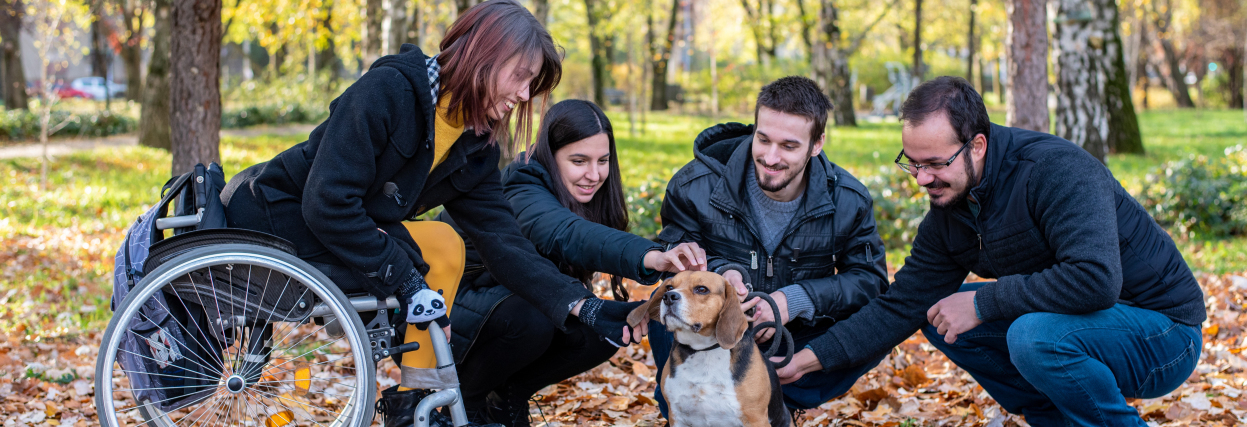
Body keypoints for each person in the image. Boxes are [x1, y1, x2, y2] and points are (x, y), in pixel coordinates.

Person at [220, 3, 643, 426]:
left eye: (532, 84)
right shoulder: (389, 91)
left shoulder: (475, 146)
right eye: (520, 76)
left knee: (444, 242)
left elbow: (505, 244)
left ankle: (413, 404)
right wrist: (408, 282)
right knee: (432, 248)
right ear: (484, 54)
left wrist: (585, 308)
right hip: (276, 216)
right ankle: (418, 399)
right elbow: (326, 202)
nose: (524, 95)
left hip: (349, 228)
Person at [775, 76, 1205, 425]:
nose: (921, 179)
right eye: (912, 162)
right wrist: (810, 360)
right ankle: (1053, 420)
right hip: (1080, 327)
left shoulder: (1056, 171)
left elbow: (1096, 280)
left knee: (1032, 336)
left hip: (1164, 333)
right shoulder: (949, 211)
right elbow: (900, 306)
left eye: (935, 164)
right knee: (938, 313)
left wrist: (985, 300)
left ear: (977, 145)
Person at [440, 99, 706, 426]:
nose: (593, 175)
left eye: (603, 161)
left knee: (605, 329)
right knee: (533, 316)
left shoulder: (584, 194)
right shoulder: (521, 182)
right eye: (579, 161)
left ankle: (508, 395)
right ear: (550, 157)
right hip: (450, 305)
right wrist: (651, 255)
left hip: (506, 302)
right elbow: (567, 233)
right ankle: (465, 403)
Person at [651, 76, 891, 414]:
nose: (771, 157)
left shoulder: (849, 199)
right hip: (715, 332)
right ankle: (688, 408)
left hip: (795, 338)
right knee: (665, 303)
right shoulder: (694, 185)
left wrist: (794, 301)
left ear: (817, 143)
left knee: (879, 325)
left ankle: (775, 404)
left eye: (789, 146)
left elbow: (870, 282)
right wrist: (722, 275)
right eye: (762, 139)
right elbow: (673, 262)